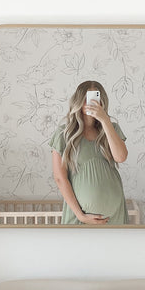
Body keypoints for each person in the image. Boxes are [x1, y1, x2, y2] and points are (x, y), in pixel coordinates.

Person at [50, 80, 129, 225]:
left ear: (102, 101)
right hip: (80, 218)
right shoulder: (64, 134)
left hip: (115, 217)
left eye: (94, 98)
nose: (90, 102)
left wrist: (105, 121)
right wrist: (81, 216)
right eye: (86, 98)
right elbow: (60, 178)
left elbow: (121, 157)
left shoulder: (112, 128)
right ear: (78, 100)